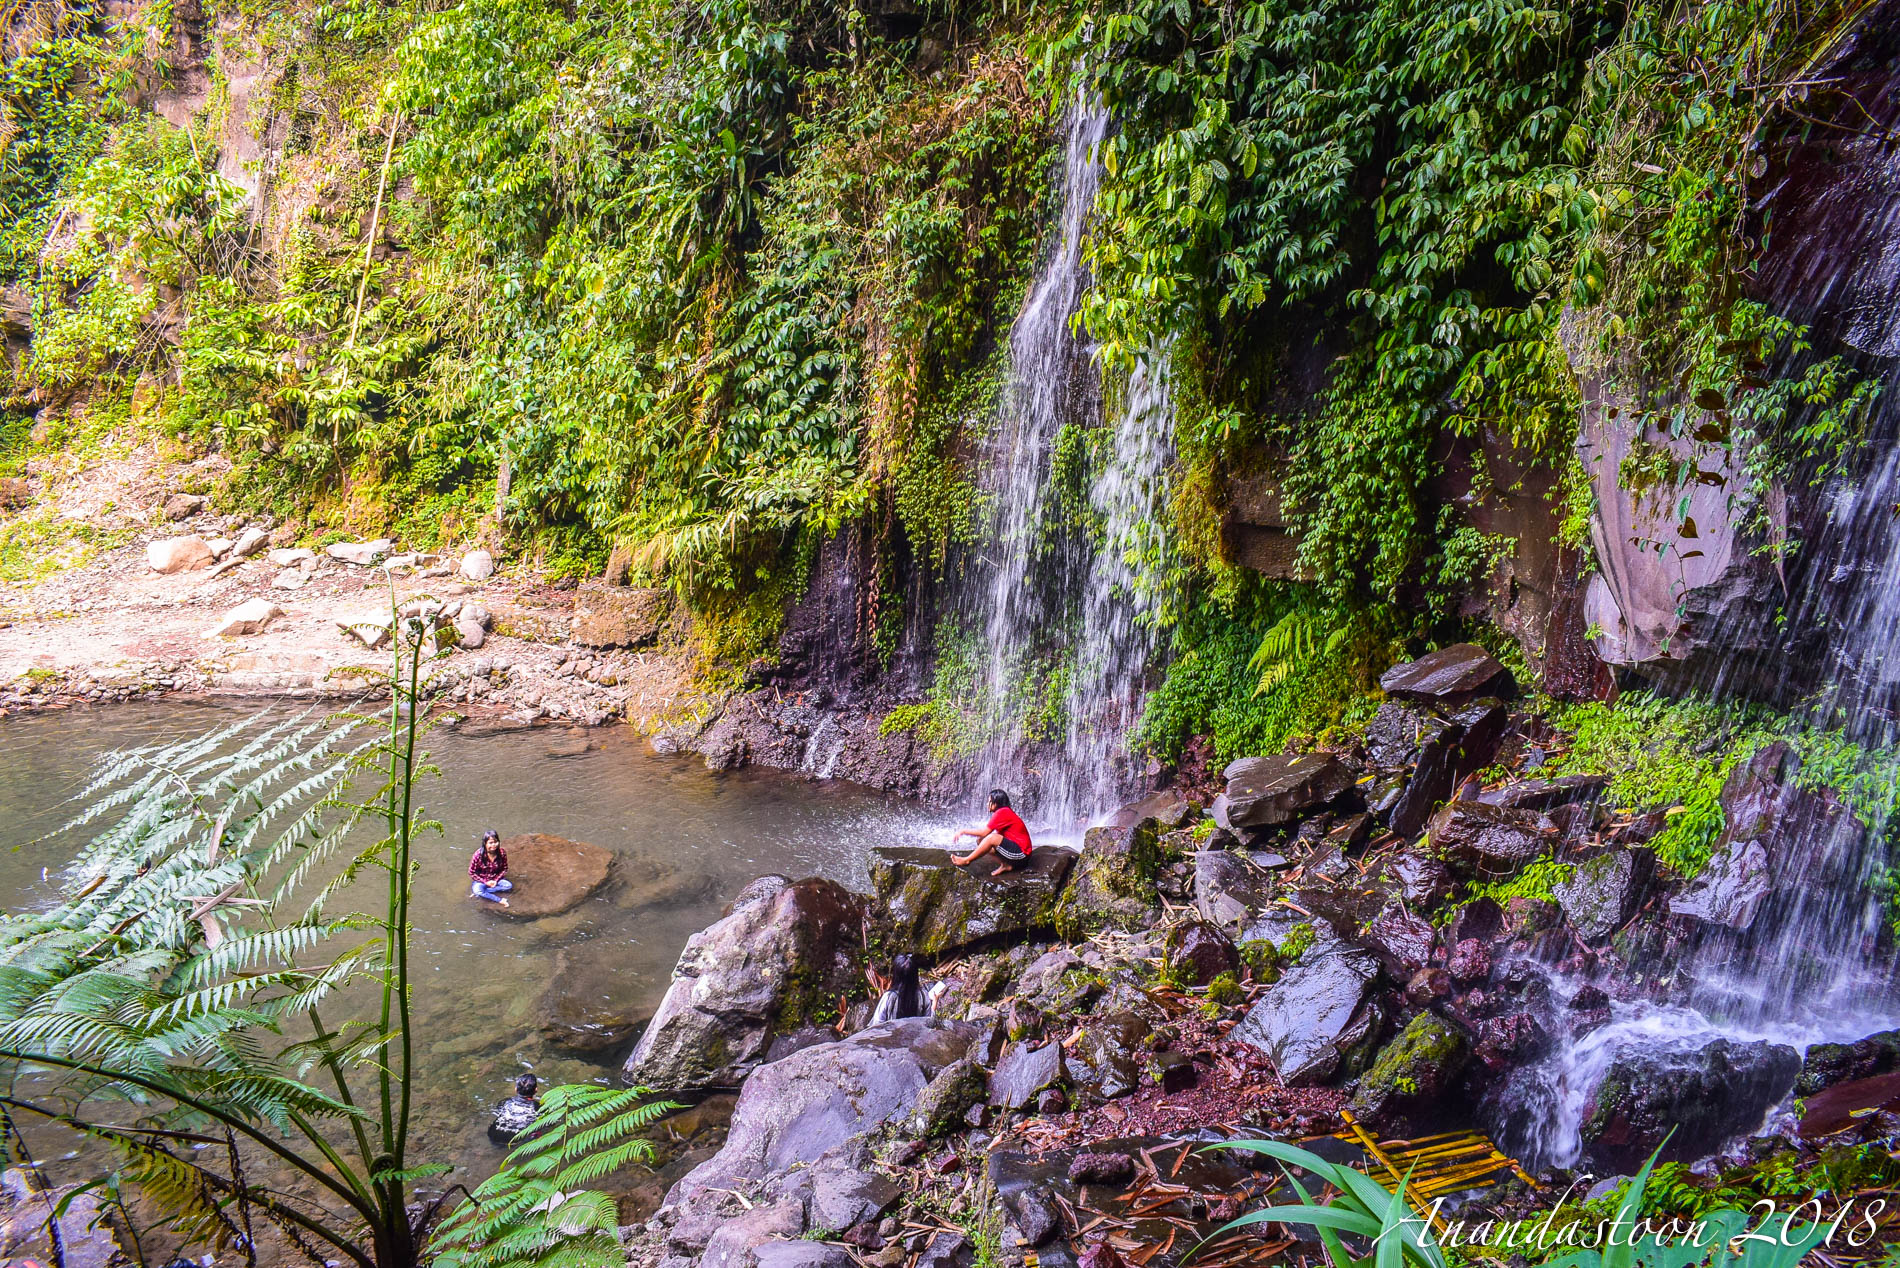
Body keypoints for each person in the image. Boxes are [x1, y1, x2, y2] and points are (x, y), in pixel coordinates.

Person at [950, 789, 1033, 876]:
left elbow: (984, 832)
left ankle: (967, 860)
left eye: (989, 801)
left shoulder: (1002, 812)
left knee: (991, 837)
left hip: (1022, 855)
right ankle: (1005, 865)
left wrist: (963, 831)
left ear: (996, 803)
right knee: (981, 840)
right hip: (1018, 853)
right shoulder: (1004, 811)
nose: (987, 804)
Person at [489, 1072, 540, 1143]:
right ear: (536, 1090)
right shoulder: (537, 1107)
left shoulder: (505, 1102)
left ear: (516, 1089)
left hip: (493, 1135)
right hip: (515, 1140)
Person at [469, 829, 512, 907]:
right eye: (490, 843)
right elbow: (471, 872)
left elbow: (504, 869)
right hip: (481, 880)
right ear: (485, 843)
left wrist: (495, 880)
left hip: (495, 879)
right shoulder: (478, 855)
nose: (494, 845)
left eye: (495, 842)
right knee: (478, 889)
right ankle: (499, 900)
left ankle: (484, 892)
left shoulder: (502, 853)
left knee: (508, 886)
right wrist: (485, 882)